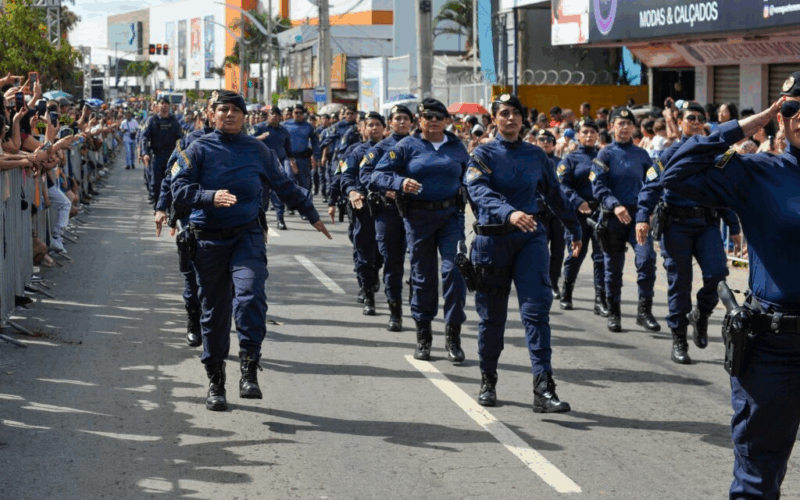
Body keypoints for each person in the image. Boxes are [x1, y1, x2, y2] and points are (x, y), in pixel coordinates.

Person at [661, 73, 800, 500]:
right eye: (794, 109)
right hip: (776, 348)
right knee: (757, 480)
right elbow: (676, 171)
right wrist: (742, 126)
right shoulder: (758, 173)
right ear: (780, 119)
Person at [171, 91, 332, 412]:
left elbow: (283, 184)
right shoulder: (197, 149)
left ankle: (248, 367)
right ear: (212, 115)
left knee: (249, 297)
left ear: (245, 117)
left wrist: (311, 213)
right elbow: (179, 187)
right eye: (223, 110)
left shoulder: (257, 150)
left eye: (235, 110)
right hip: (208, 241)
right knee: (214, 313)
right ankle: (216, 380)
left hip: (247, 236)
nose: (229, 115)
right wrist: (209, 196)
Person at [466, 94, 582, 412]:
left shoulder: (536, 155)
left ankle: (543, 388)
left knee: (536, 313)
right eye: (503, 114)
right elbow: (478, 190)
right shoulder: (482, 154)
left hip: (530, 239)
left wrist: (575, 228)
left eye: (515, 113)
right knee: (492, 318)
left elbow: (554, 194)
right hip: (492, 242)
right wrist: (508, 212)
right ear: (494, 120)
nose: (510, 118)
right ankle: (488, 380)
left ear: (522, 119)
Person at [637, 101, 742, 364]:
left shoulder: (714, 154)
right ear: (681, 122)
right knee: (679, 283)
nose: (695, 122)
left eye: (700, 118)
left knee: (717, 274)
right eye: (690, 118)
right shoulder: (669, 154)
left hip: (707, 224)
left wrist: (734, 226)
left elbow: (723, 191)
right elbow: (650, 187)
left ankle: (701, 314)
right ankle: (679, 338)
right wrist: (642, 218)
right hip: (677, 227)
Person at [372, 98, 469, 363]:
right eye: (428, 116)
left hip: (451, 217)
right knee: (423, 278)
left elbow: (472, 179)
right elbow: (377, 175)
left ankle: (453, 337)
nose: (434, 120)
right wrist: (401, 182)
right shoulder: (406, 146)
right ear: (420, 121)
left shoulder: (458, 147)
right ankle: (423, 337)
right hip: (418, 218)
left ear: (447, 120)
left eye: (439, 116)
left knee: (455, 272)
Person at [591, 107, 661, 333]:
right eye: (620, 124)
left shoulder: (642, 154)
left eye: (628, 124)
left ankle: (644, 311)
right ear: (611, 127)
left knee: (647, 259)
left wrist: (646, 210)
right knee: (613, 268)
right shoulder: (604, 154)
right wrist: (615, 204)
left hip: (637, 216)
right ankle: (614, 312)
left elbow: (653, 183)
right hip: (612, 217)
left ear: (634, 128)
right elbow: (598, 185)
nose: (624, 128)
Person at [154, 96, 217, 348]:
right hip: (192, 214)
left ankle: (216, 319)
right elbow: (171, 176)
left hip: (229, 219)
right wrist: (161, 207)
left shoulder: (242, 144)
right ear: (208, 114)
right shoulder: (189, 142)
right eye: (218, 108)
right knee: (192, 271)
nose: (225, 113)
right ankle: (194, 320)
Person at [364, 104, 414, 331]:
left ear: (412, 123)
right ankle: (395, 312)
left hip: (417, 212)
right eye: (397, 118)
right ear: (390, 124)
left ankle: (418, 304)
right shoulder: (380, 148)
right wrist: (386, 189)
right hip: (389, 212)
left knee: (420, 263)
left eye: (405, 118)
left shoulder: (420, 145)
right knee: (392, 263)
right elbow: (366, 175)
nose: (402, 122)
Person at [557, 118, 607, 315]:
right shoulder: (570, 159)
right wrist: (578, 201)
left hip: (601, 213)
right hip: (577, 214)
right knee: (575, 254)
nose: (589, 136)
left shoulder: (604, 156)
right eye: (585, 132)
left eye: (592, 132)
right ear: (577, 135)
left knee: (601, 256)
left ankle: (600, 300)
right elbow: (562, 185)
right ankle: (566, 293)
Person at [340, 112, 386, 315]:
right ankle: (367, 294)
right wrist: (351, 192)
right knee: (364, 253)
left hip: (387, 209)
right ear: (364, 129)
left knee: (381, 254)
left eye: (378, 124)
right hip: (363, 207)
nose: (374, 128)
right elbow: (345, 175)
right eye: (370, 125)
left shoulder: (394, 150)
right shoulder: (356, 151)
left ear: (385, 128)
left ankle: (373, 275)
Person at [252, 107, 296, 230]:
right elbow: (246, 141)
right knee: (263, 194)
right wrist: (259, 138)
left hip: (278, 165)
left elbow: (288, 148)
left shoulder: (284, 130)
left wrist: (292, 161)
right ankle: (261, 217)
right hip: (262, 165)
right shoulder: (259, 128)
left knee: (278, 193)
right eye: (272, 114)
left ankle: (280, 219)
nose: (275, 116)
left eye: (277, 114)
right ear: (268, 115)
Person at [535, 129, 567, 297]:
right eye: (541, 139)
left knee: (558, 251)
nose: (545, 142)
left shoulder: (561, 163)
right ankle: (541, 283)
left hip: (557, 214)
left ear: (554, 144)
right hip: (539, 213)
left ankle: (553, 283)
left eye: (548, 139)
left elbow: (565, 187)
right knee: (540, 251)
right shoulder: (532, 162)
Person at [142, 97, 183, 209]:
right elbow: (145, 137)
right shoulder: (152, 120)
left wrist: (181, 154)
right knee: (156, 184)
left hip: (171, 156)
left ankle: (169, 207)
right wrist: (145, 152)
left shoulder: (173, 121)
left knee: (171, 182)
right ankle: (157, 207)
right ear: (158, 106)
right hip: (157, 155)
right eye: (161, 103)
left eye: (166, 104)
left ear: (168, 106)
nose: (164, 106)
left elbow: (180, 138)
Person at [282, 105, 320, 200]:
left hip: (303, 159)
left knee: (305, 184)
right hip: (289, 159)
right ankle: (291, 204)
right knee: (289, 180)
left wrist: (316, 157)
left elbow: (315, 142)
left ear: (304, 114)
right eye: (296, 112)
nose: (298, 115)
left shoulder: (309, 127)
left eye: (300, 113)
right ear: (292, 114)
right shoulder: (285, 125)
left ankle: (306, 206)